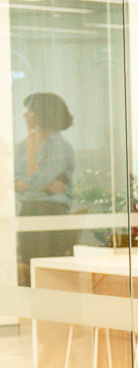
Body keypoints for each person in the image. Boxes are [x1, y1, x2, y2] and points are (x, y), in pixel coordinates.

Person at [16, 91, 78, 286]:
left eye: (30, 110)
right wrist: (36, 184)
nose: (25, 115)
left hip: (52, 212)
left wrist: (30, 182)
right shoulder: (23, 145)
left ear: (42, 113)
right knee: (28, 270)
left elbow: (34, 180)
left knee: (50, 276)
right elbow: (15, 181)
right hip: (28, 212)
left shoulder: (61, 147)